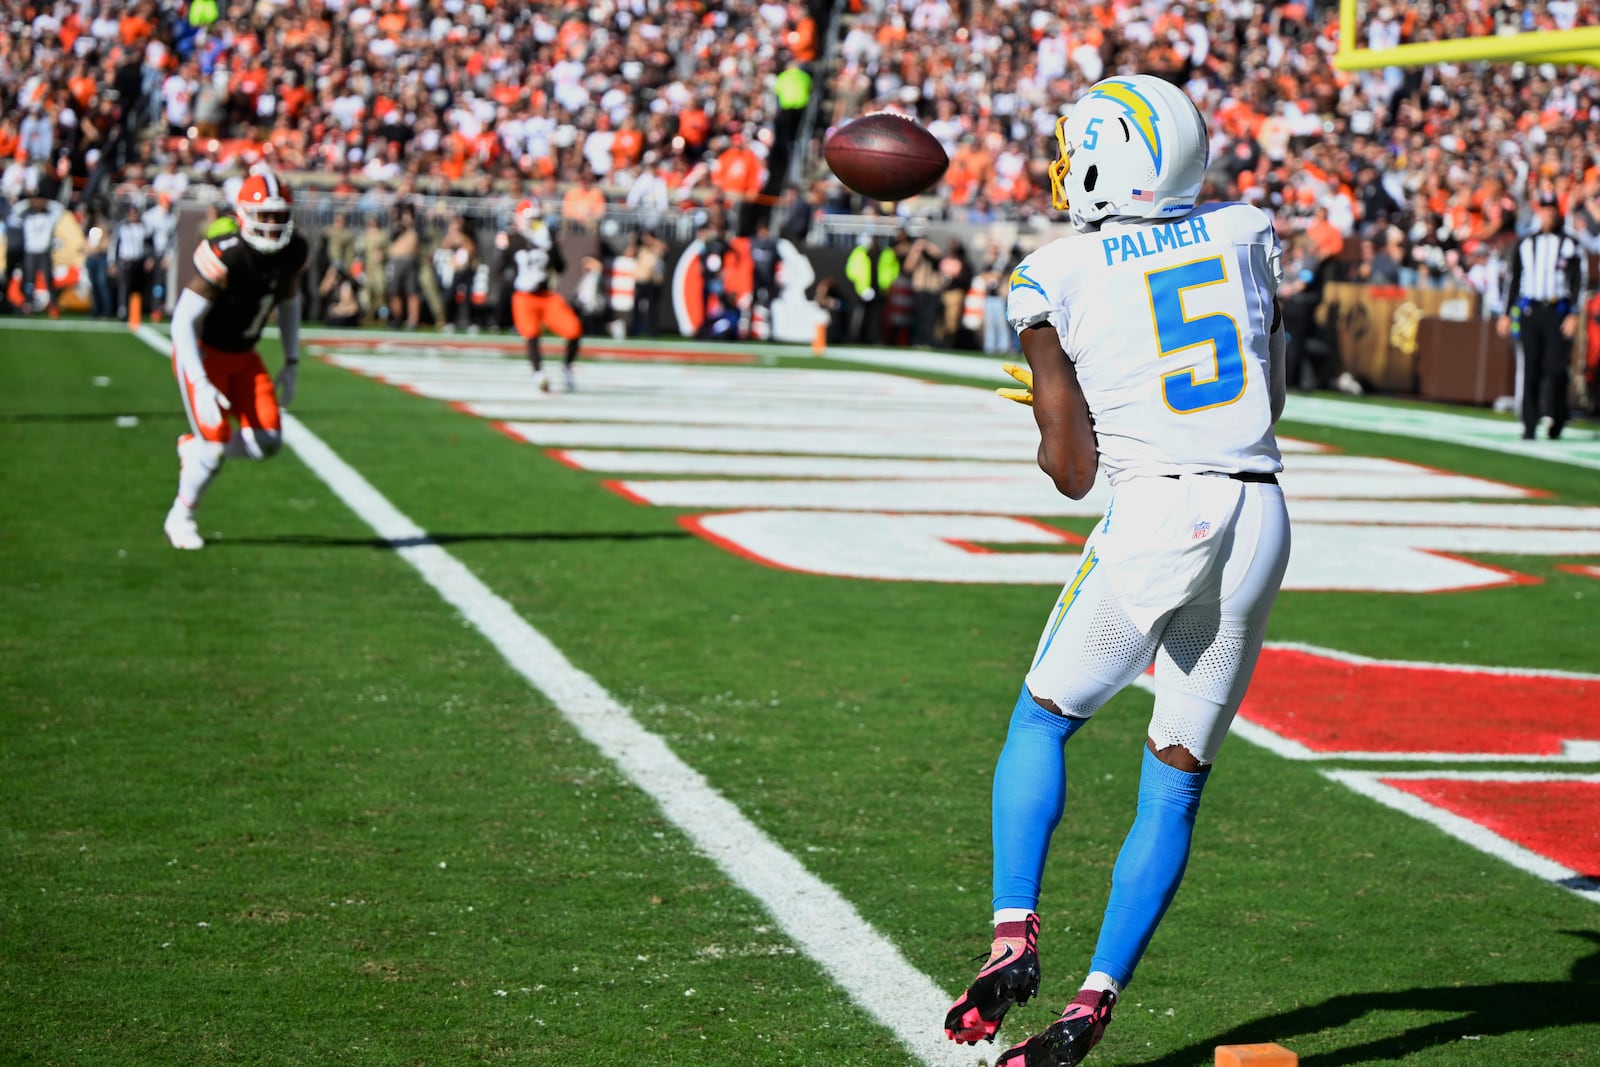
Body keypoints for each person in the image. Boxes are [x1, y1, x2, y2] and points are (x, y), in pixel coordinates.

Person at [943, 75, 1291, 1067]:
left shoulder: (1052, 273)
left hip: (1156, 509)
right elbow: (1272, 394)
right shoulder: (1242, 230)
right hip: (1258, 510)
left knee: (1041, 719)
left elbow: (1071, 472)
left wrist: (1059, 407)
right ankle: (1092, 1002)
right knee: (1174, 781)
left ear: (1104, 157)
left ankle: (1014, 931)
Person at [162, 170, 308, 551]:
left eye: (280, 215)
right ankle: (181, 516)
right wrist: (199, 380)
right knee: (212, 447)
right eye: (266, 215)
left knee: (268, 441)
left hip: (245, 355)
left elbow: (290, 301)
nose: (273, 224)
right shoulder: (229, 253)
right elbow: (181, 322)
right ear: (243, 214)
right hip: (205, 352)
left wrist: (292, 361)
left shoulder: (294, 252)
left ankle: (193, 450)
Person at [1498, 189, 1584, 441]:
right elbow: (1513, 281)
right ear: (1539, 211)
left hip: (1557, 311)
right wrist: (1505, 314)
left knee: (1555, 368)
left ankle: (1557, 417)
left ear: (1558, 212)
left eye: (1552, 209)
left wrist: (1574, 314)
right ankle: (1529, 423)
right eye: (1544, 209)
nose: (1548, 214)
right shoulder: (1526, 243)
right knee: (1531, 367)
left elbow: (1580, 280)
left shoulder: (1570, 243)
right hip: (1530, 310)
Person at [497, 197, 581, 392]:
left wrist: (549, 249)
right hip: (524, 297)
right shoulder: (511, 239)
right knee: (531, 334)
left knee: (573, 329)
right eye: (531, 218)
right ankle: (539, 373)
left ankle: (567, 368)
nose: (535, 222)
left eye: (537, 218)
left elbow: (561, 267)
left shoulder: (547, 237)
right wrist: (515, 281)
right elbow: (500, 270)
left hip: (546, 295)